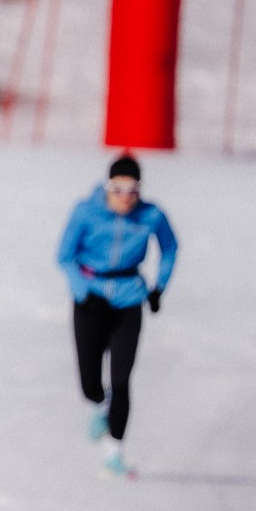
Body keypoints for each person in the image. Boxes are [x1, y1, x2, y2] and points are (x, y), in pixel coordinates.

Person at [56, 152, 179, 479]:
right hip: (91, 300)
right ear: (107, 187)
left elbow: (170, 248)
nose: (125, 198)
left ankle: (114, 454)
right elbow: (64, 256)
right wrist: (83, 292)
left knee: (122, 380)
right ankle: (100, 405)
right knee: (90, 384)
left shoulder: (151, 216)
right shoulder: (85, 212)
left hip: (128, 301)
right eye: (118, 189)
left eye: (132, 191)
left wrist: (158, 288)